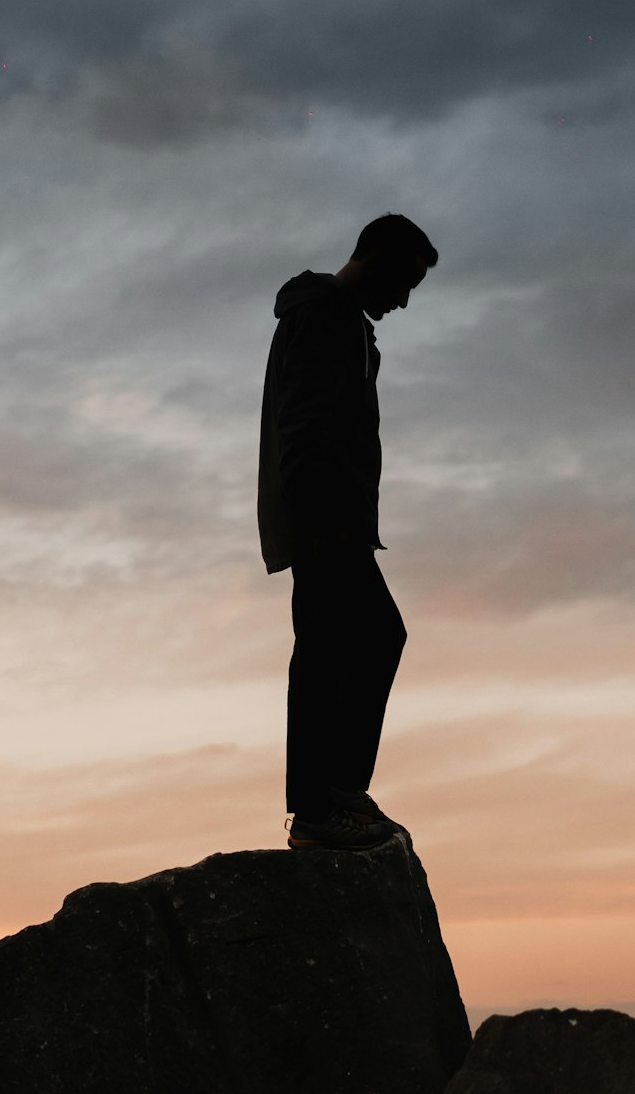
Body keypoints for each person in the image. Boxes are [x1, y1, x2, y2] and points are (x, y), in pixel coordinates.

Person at [257, 213, 439, 850]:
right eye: (405, 281)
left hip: (336, 523)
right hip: (325, 524)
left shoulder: (343, 324)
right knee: (355, 643)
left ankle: (330, 800)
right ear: (379, 258)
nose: (405, 299)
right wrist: (321, 524)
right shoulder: (326, 318)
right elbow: (304, 426)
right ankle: (324, 805)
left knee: (341, 647)